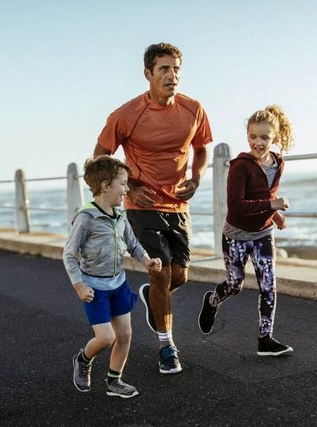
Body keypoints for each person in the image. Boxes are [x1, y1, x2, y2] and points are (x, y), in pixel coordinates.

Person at [93, 42, 213, 374]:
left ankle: (152, 296)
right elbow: (99, 157)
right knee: (160, 273)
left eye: (176, 69)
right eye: (164, 69)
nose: (172, 76)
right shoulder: (126, 114)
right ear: (148, 73)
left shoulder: (193, 109)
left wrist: (197, 176)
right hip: (141, 206)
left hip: (177, 205)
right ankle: (167, 347)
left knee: (180, 276)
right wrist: (130, 186)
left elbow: (202, 149)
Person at [197, 105, 294, 356]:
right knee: (234, 285)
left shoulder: (277, 164)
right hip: (236, 236)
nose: (258, 143)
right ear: (247, 136)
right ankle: (212, 301)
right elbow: (237, 206)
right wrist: (272, 205)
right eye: (253, 137)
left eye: (264, 138)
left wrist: (274, 214)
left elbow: (264, 195)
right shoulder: (240, 166)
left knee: (269, 286)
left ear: (274, 138)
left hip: (263, 234)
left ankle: (265, 339)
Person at [63, 155, 162, 398]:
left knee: (125, 335)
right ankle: (83, 359)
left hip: (118, 284)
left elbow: (132, 244)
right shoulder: (86, 218)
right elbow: (68, 254)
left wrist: (147, 260)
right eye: (123, 184)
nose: (127, 189)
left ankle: (113, 381)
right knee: (106, 338)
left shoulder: (121, 214)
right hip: (94, 288)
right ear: (106, 186)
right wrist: (78, 286)